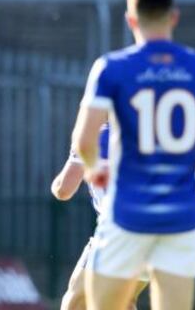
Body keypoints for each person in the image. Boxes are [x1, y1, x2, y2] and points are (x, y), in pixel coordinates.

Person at [71, 0, 195, 310]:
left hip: (126, 214)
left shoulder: (112, 68)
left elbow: (85, 139)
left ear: (131, 19)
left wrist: (96, 171)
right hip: (179, 216)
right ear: (174, 16)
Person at [51, 125, 143, 310]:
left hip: (118, 233)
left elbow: (64, 191)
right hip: (162, 230)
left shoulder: (95, 135)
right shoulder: (153, 131)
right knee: (124, 302)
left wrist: (56, 183)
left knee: (75, 304)